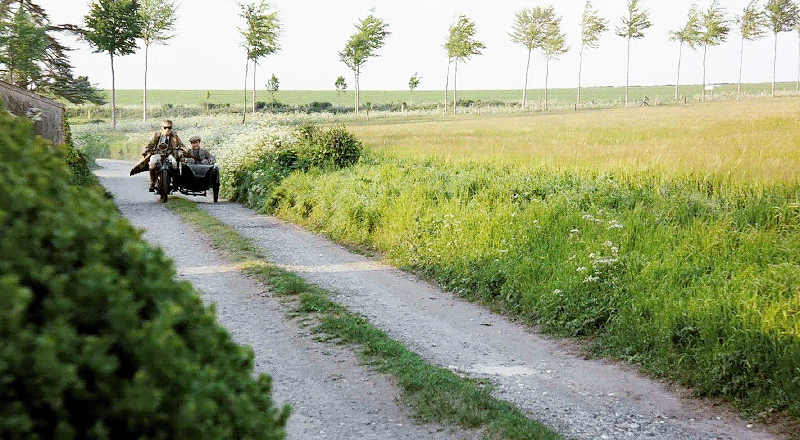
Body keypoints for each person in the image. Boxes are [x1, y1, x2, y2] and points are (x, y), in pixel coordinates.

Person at [130, 119, 186, 191]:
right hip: (157, 153)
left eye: (169, 128)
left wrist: (183, 151)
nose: (167, 130)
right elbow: (149, 144)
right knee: (152, 162)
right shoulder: (156, 135)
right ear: (161, 128)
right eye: (165, 128)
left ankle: (175, 183)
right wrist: (146, 150)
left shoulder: (174, 136)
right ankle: (153, 182)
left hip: (169, 154)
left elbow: (181, 145)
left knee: (174, 163)